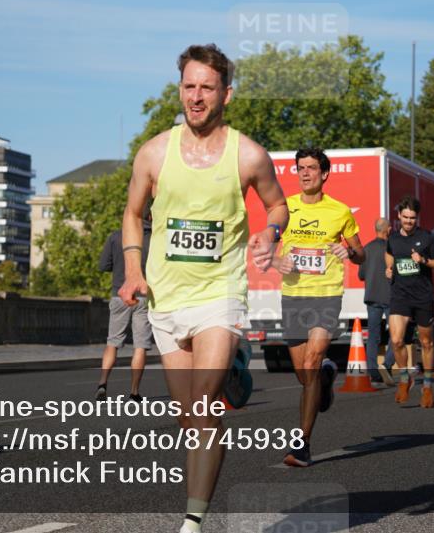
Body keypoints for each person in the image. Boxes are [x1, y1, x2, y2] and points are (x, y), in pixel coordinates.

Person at [119, 43, 288, 533]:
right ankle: (234, 374)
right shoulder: (153, 152)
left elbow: (278, 206)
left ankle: (193, 522)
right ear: (180, 90)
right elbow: (132, 215)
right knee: (189, 418)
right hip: (167, 299)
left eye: (207, 88)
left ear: (226, 95)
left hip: (221, 293)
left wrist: (269, 231)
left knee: (202, 403)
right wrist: (133, 270)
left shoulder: (248, 155)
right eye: (189, 87)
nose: (196, 97)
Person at [271, 147, 364, 467]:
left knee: (310, 363)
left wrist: (348, 251)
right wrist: (276, 259)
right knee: (303, 374)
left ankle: (302, 444)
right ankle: (325, 378)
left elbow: (360, 254)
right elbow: (269, 246)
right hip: (294, 295)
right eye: (300, 168)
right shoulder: (284, 209)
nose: (305, 173)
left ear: (325, 174)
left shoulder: (340, 211)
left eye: (311, 168)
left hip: (326, 295)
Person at [384, 196, 434, 408]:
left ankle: (427, 386)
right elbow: (389, 254)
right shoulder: (393, 237)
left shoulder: (427, 238)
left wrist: (424, 261)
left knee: (427, 343)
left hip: (422, 296)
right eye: (405, 217)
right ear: (399, 216)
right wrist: (389, 268)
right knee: (396, 339)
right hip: (399, 294)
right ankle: (405, 377)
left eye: (412, 218)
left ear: (416, 218)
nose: (409, 221)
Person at [97, 217, 154, 401]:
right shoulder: (155, 239)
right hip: (144, 297)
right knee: (140, 346)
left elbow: (103, 265)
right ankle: (134, 392)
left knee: (112, 342)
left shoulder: (116, 236)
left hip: (119, 294)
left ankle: (102, 383)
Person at [359, 217, 393, 385]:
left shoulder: (367, 249)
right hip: (390, 297)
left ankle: (373, 372)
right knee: (396, 334)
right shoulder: (391, 248)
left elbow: (361, 275)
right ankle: (386, 365)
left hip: (372, 297)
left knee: (373, 336)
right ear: (387, 230)